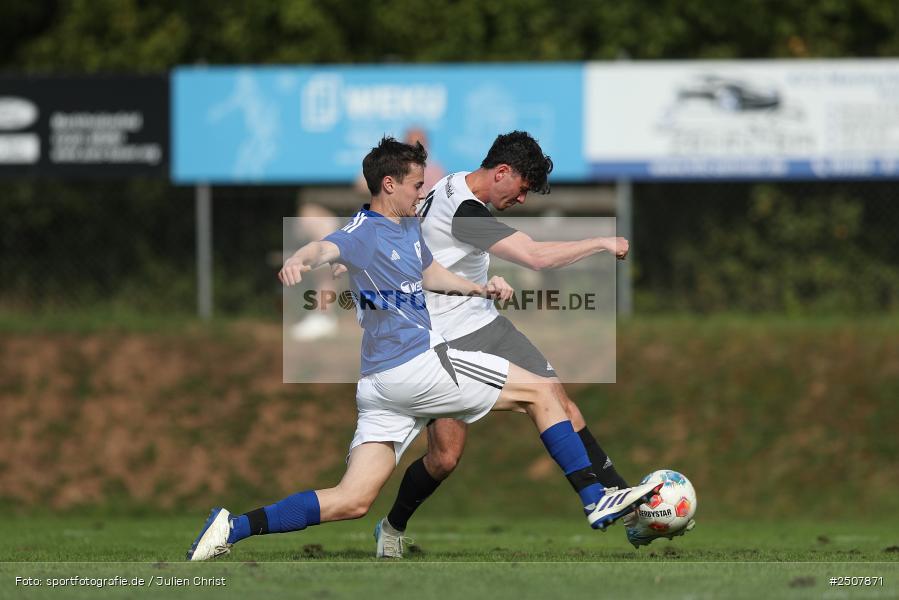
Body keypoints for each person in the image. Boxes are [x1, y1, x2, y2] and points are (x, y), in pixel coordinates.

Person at [186, 136, 660, 561]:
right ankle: (596, 497)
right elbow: (327, 248)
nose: (423, 193)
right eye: (416, 185)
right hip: (419, 364)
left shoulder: (407, 226)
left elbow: (431, 275)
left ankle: (233, 525)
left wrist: (481, 290)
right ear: (389, 185)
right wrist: (301, 258)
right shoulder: (367, 230)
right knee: (541, 393)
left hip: (378, 386)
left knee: (353, 498)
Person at [373, 131, 693, 557]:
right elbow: (536, 256)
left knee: (557, 398)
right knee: (445, 458)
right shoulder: (465, 211)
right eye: (522, 189)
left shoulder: (454, 182)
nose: (523, 199)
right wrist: (599, 242)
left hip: (484, 323)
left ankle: (623, 503)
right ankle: (391, 526)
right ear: (501, 172)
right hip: (443, 336)